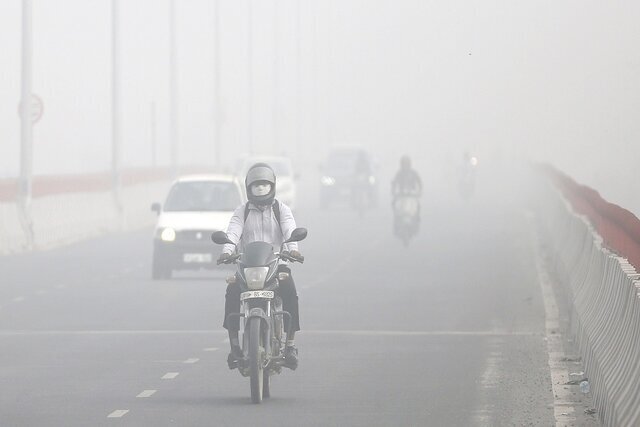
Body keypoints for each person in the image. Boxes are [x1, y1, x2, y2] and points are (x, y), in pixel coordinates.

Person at [218, 163, 302, 370]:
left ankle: (290, 344)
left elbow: (290, 230)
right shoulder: (242, 212)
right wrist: (227, 252)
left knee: (290, 290)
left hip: (276, 265)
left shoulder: (281, 210)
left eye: (264, 186)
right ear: (249, 188)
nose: (261, 190)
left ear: (272, 186)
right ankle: (234, 345)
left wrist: (293, 250)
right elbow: (233, 233)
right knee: (231, 291)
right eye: (257, 187)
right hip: (248, 267)